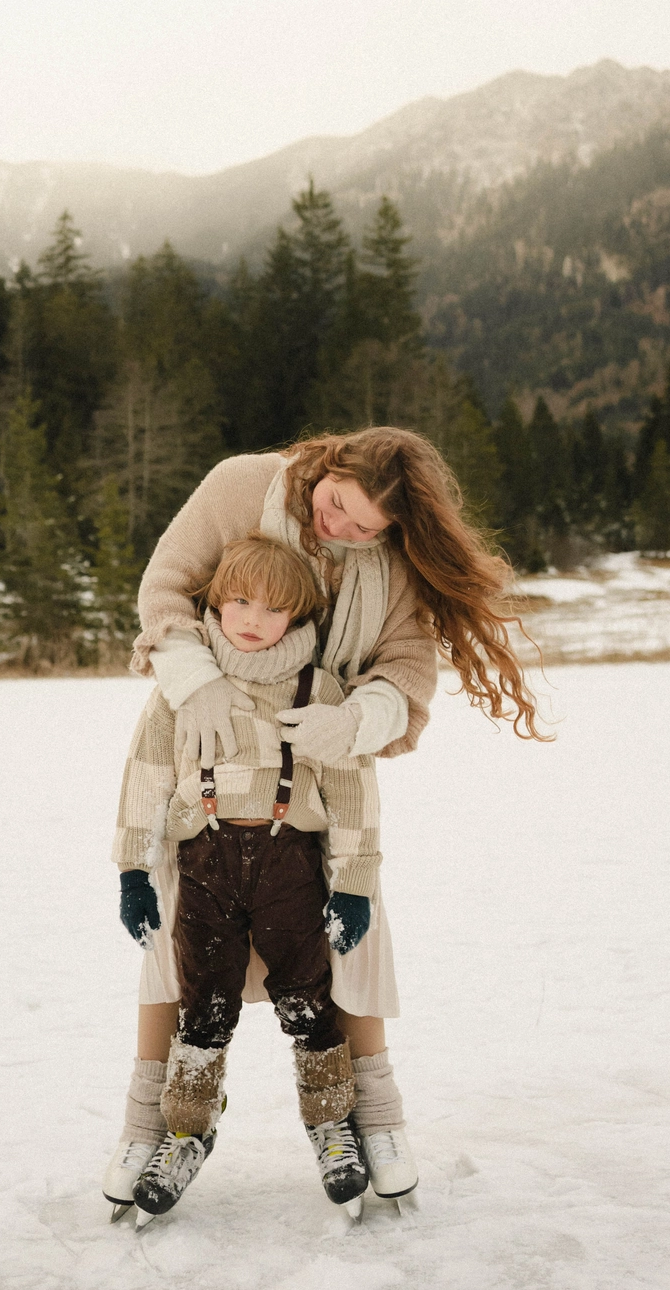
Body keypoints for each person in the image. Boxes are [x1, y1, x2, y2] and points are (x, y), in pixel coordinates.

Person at [103, 427, 542, 1216]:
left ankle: (368, 1119)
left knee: (351, 949)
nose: (343, 529)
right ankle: (153, 1123)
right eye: (338, 505)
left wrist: (358, 720)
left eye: (369, 528)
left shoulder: (393, 565)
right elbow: (166, 584)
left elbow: (406, 668)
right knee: (175, 953)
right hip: (208, 758)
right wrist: (191, 679)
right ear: (327, 465)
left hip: (318, 780)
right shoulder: (243, 483)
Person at [106, 533, 382, 1220]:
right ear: (215, 601)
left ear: (298, 616)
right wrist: (133, 871)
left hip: (290, 866)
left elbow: (352, 791)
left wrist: (352, 883)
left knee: (308, 1001)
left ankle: (331, 1126)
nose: (252, 618)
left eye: (274, 607)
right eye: (239, 600)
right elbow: (145, 779)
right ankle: (183, 1132)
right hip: (204, 866)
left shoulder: (319, 688)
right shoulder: (183, 689)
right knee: (203, 1010)